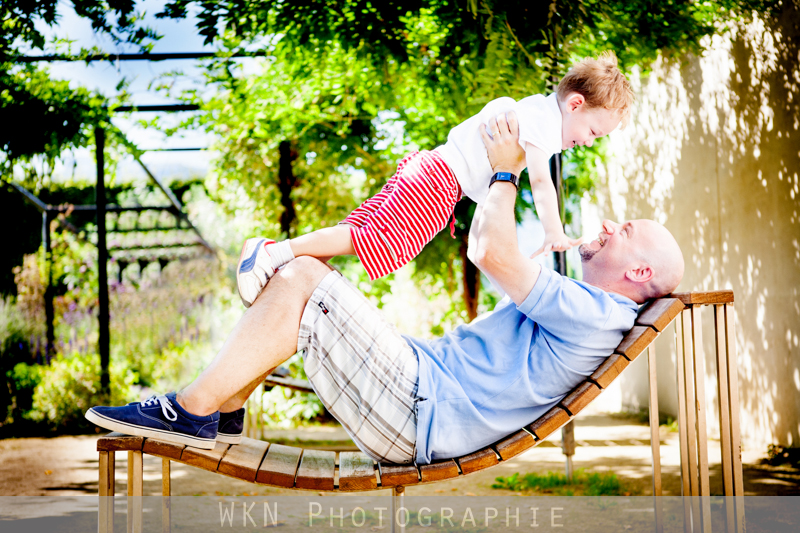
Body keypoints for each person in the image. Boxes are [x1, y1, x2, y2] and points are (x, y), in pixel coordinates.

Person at [85, 112, 684, 466]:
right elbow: (501, 248)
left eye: (624, 232)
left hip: (418, 410)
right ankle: (227, 407)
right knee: (320, 276)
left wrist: (505, 168)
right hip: (419, 392)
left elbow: (486, 250)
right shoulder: (584, 307)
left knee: (303, 277)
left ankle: (190, 409)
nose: (608, 225)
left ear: (637, 273)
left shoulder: (595, 315)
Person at [235, 51, 633, 307]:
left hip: (431, 171)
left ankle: (287, 266)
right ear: (575, 104)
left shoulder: (530, 110)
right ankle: (275, 253)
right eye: (593, 132)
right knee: (377, 242)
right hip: (438, 181)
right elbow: (543, 184)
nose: (586, 142)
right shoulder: (543, 125)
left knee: (362, 232)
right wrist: (553, 232)